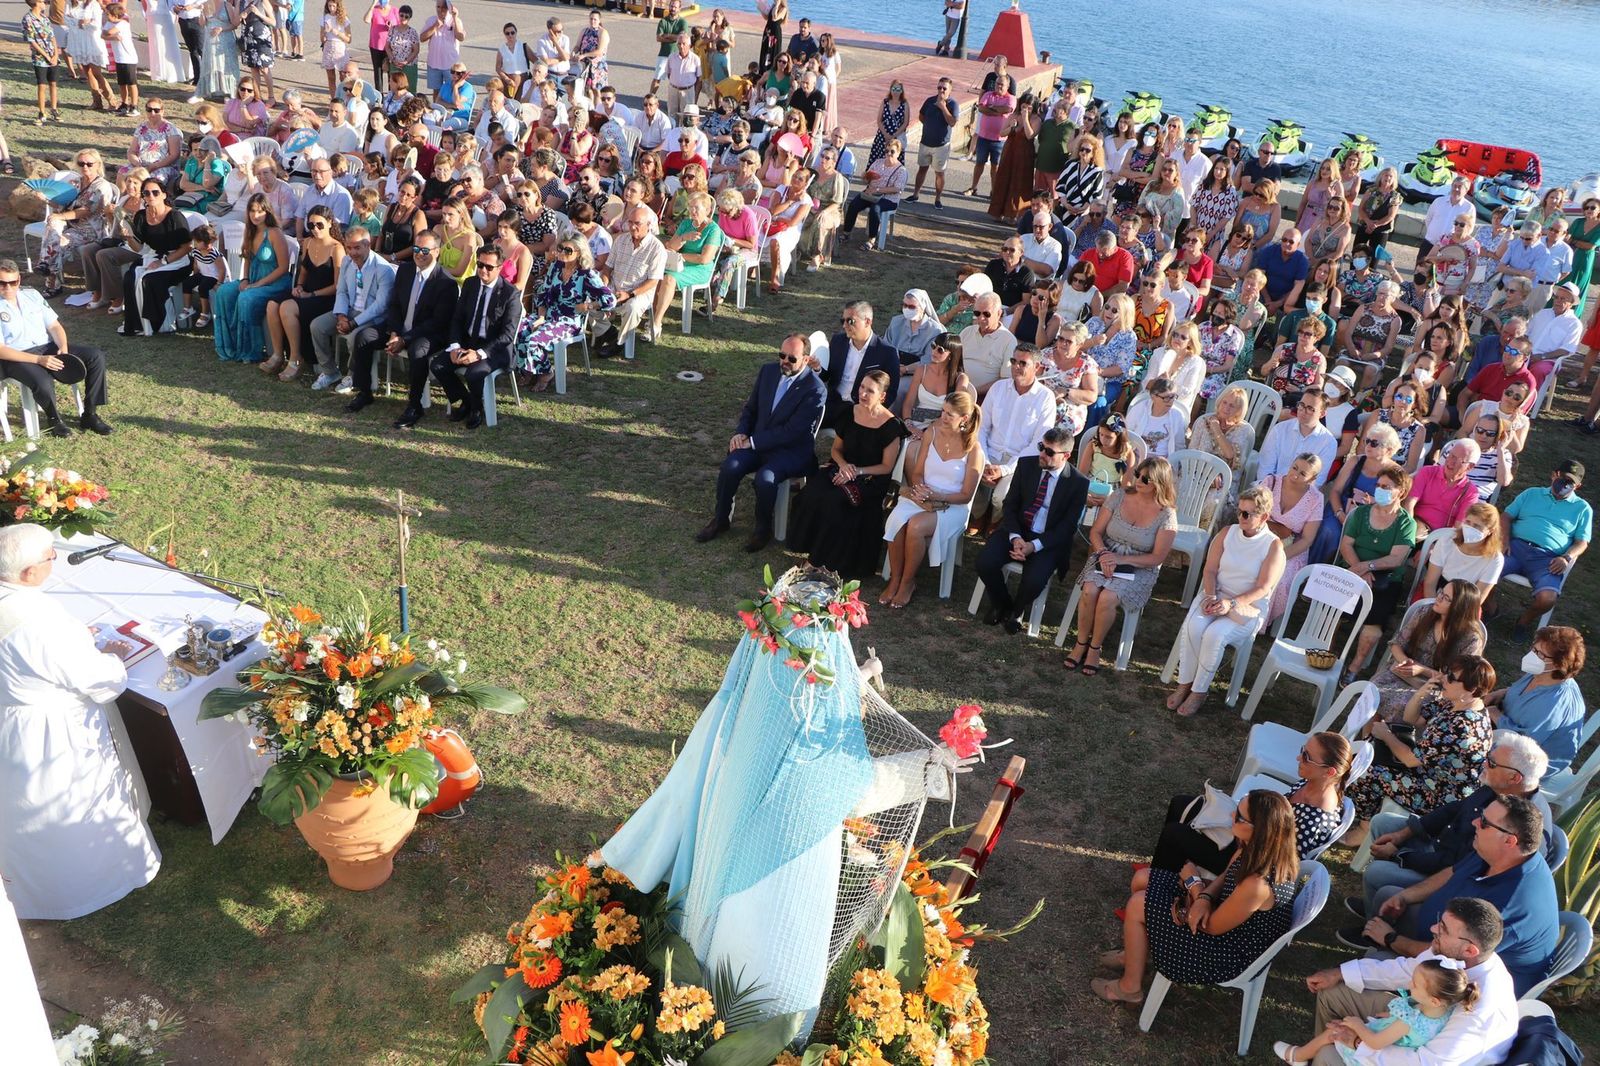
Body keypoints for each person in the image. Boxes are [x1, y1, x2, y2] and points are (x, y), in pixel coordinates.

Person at [0, 524, 162, 920]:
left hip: (13, 724)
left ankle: (41, 889)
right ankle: (98, 884)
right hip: (54, 733)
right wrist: (111, 658)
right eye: (50, 557)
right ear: (27, 574)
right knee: (74, 802)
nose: (55, 560)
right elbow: (98, 680)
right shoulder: (39, 625)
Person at [1093, 790, 1298, 1005]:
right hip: (1223, 913)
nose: (1231, 816)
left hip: (1223, 951)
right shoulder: (1260, 849)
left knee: (1138, 905)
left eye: (1239, 816)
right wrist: (1204, 896)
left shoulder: (1258, 885)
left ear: (1261, 830)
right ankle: (1134, 956)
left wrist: (1194, 885)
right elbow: (1226, 877)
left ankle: (1130, 988)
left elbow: (1211, 927)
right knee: (1143, 878)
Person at [1344, 794, 1557, 999]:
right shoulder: (1497, 853)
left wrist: (1392, 940)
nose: (1475, 822)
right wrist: (1405, 897)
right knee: (1389, 895)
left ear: (1510, 841)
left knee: (1375, 964)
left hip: (1462, 983)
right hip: (1443, 934)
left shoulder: (1510, 904)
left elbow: (1452, 956)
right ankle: (1373, 952)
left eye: (1484, 822)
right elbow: (1452, 872)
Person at [1296, 897, 1518, 1066]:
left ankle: (1328, 1054)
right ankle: (1316, 1050)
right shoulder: (1454, 956)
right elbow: (1404, 971)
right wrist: (1340, 973)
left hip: (1419, 1055)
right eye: (1440, 922)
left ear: (1470, 949)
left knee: (1329, 1055)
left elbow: (1425, 1062)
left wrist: (1357, 1043)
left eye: (1444, 929)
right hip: (1416, 1025)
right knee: (1334, 992)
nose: (1433, 929)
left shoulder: (1482, 1011)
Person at [1359, 731, 1553, 919]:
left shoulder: (1517, 824)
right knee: (1382, 822)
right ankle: (1378, 902)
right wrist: (1403, 834)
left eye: (1492, 763)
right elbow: (1454, 809)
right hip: (1443, 849)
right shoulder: (1499, 788)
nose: (1484, 764)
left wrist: (1399, 856)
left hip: (1451, 879)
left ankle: (1376, 923)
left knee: (1376, 873)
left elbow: (1455, 866)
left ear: (1514, 778)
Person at [1166, 487, 1287, 716]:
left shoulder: (1273, 546)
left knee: (1214, 634)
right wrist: (1211, 596)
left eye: (1247, 514)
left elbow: (1263, 588)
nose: (1240, 517)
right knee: (1194, 626)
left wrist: (1231, 604)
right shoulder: (1227, 533)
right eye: (1239, 511)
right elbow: (1210, 570)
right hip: (1216, 593)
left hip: (1246, 606)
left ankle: (1199, 691)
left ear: (1264, 517)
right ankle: (1185, 683)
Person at [698, 334, 825, 551]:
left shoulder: (815, 389)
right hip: (757, 442)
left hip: (789, 450)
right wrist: (741, 433)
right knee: (730, 466)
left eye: (792, 358)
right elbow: (751, 409)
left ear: (805, 360)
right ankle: (721, 519)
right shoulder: (768, 371)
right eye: (781, 355)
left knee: (765, 479)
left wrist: (753, 442)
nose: (785, 361)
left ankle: (762, 528)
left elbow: (792, 432)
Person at [1349, 655, 1496, 837]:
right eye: (1446, 673)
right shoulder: (1457, 703)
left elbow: (1411, 760)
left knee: (1367, 772)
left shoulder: (1462, 727)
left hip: (1439, 795)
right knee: (1366, 754)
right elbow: (1412, 720)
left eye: (1451, 678)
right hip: (1429, 774)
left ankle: (1364, 828)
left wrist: (1386, 735)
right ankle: (1363, 812)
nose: (1444, 679)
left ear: (1472, 690)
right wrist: (1421, 694)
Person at [787, 370, 906, 578]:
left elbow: (886, 466)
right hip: (842, 468)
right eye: (862, 387)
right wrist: (843, 466)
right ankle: (809, 547)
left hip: (870, 478)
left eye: (870, 391)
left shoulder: (891, 427)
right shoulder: (849, 413)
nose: (863, 394)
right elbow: (836, 450)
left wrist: (856, 472)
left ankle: (820, 560)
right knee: (812, 493)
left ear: (883, 397)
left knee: (835, 501)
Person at [1065, 457, 1177, 676]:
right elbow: (1096, 532)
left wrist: (1122, 560)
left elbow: (1157, 558)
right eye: (1137, 474)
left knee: (1107, 596)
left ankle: (1095, 648)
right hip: (1105, 553)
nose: (1138, 481)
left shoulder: (1166, 515)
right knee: (1090, 591)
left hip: (1139, 565)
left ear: (1159, 483)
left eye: (1145, 479)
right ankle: (1080, 643)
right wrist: (1105, 554)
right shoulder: (1119, 496)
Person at [972, 425, 1088, 632]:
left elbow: (1068, 526)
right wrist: (1016, 538)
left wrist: (1034, 546)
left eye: (1049, 452)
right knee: (985, 562)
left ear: (1066, 456)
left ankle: (1016, 611)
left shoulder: (1078, 483)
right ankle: (1002, 604)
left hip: (1047, 540)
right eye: (1041, 447)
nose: (1042, 454)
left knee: (1034, 580)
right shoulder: (1026, 465)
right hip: (1018, 529)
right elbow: (1010, 505)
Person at [346, 229, 457, 427]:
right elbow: (395, 305)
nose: (419, 254)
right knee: (363, 336)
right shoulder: (405, 270)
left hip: (428, 334)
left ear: (437, 252)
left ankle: (415, 405)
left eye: (425, 250)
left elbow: (437, 322)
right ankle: (364, 392)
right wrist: (395, 332)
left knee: (417, 350)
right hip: (401, 329)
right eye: (416, 248)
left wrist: (404, 339)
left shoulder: (446, 283)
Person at [1280, 958, 1482, 1064]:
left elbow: (1376, 1043)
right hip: (1387, 1040)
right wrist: (1390, 1015)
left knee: (1333, 1033)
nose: (1409, 983)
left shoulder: (1409, 1021)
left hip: (1373, 1052)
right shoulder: (1441, 1012)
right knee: (1336, 1032)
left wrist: (1357, 1025)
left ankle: (1297, 1056)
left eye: (1415, 984)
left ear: (1434, 1000)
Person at [0, 262, 113, 436]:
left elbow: (54, 326)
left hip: (45, 346)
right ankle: (54, 420)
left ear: (19, 280)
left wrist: (63, 347)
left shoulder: (32, 295)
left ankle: (90, 413)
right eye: (2, 283)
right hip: (15, 356)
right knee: (42, 379)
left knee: (95, 356)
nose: (8, 287)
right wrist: (38, 360)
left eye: (12, 282)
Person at [1492, 460, 1591, 636]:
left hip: (1548, 558)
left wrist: (1566, 558)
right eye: (1563, 477)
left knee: (1547, 598)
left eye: (1571, 482)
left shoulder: (1583, 509)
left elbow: (1582, 542)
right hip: (1515, 548)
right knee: (1484, 569)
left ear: (1578, 486)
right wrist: (1504, 540)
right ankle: (1491, 608)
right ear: (1554, 474)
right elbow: (1506, 516)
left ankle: (1523, 621)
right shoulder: (1531, 493)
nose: (1565, 484)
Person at [969, 345, 1057, 535]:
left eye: (1023, 363)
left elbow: (1038, 443)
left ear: (1037, 367)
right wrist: (985, 461)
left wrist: (1004, 469)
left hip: (1020, 460)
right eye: (1014, 361)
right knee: (973, 478)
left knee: (1002, 496)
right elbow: (981, 428)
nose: (1016, 366)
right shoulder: (998, 388)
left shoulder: (1046, 398)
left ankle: (997, 519)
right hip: (989, 452)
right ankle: (978, 515)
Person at [1340, 464, 1419, 672]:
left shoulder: (1406, 523)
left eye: (1387, 486)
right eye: (1379, 485)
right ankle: (1324, 652)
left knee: (1375, 619)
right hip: (1352, 567)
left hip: (1386, 578)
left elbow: (1396, 558)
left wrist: (1368, 567)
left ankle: (1354, 666)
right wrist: (1360, 569)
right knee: (1335, 605)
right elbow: (1346, 544)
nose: (1380, 490)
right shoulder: (1361, 513)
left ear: (1401, 492)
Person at [429, 246, 519, 428]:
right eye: (480, 264)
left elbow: (508, 335)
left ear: (500, 268)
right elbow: (457, 319)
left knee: (474, 373)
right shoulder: (471, 284)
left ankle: (476, 409)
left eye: (489, 267)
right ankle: (467, 400)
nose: (483, 270)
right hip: (468, 342)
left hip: (494, 348)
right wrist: (454, 346)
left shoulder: (511, 294)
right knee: (438, 365)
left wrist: (479, 354)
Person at [512, 236, 614, 393]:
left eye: (568, 250)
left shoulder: (587, 274)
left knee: (534, 340)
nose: (562, 253)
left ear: (579, 252)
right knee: (519, 328)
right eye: (560, 248)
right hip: (549, 314)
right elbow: (543, 294)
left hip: (569, 321)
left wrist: (588, 305)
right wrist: (540, 316)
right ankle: (528, 370)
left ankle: (546, 373)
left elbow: (609, 299)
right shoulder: (556, 267)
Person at [1371, 579, 1486, 718]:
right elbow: (1396, 643)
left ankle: (1386, 736)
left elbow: (1459, 680)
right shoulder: (1425, 612)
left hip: (1437, 687)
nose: (1438, 598)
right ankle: (1368, 736)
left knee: (1401, 703)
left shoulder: (1471, 639)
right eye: (1441, 592)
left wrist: (1422, 670)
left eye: (1446, 598)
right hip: (1402, 671)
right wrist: (1405, 662)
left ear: (1459, 607)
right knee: (1373, 691)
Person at [1489, 626, 1587, 774]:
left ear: (1557, 664)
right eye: (1534, 649)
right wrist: (1501, 692)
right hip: (1504, 734)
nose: (1532, 656)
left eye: (1539, 654)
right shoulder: (1541, 673)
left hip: (1527, 763)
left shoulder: (1554, 704)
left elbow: (1525, 743)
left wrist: (1494, 713)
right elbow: (1520, 694)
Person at [262, 204, 343, 381]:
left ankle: (295, 358)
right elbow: (304, 272)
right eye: (311, 225)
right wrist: (299, 286)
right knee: (272, 305)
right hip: (306, 293)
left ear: (329, 223)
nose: (315, 229)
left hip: (326, 298)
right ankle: (277, 354)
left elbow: (337, 286)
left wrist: (311, 295)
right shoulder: (307, 242)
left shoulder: (337, 249)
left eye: (319, 225)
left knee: (287, 308)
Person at [309, 225, 393, 392]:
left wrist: (353, 323)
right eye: (349, 248)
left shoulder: (383, 269)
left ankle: (353, 374)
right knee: (317, 326)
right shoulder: (347, 261)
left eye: (357, 248)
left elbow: (380, 306)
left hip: (372, 317)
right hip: (349, 310)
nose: (353, 252)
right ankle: (330, 371)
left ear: (368, 245)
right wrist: (341, 316)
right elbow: (342, 291)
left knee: (354, 337)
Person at [816, 300, 901, 426]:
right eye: (842, 321)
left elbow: (891, 391)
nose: (844, 325)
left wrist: (871, 412)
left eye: (850, 321)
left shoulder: (887, 352)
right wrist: (817, 368)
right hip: (832, 403)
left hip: (861, 408)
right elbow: (828, 375)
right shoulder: (838, 341)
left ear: (867, 321)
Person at [1257, 391, 1338, 486]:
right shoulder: (1280, 429)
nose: (1303, 411)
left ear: (1322, 414)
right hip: (1269, 487)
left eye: (1310, 408)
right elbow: (1265, 468)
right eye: (1301, 405)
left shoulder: (1328, 443)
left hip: (1299, 495)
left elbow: (1317, 481)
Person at [839, 140, 907, 249]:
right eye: (887, 151)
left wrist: (879, 189)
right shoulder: (878, 162)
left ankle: (871, 239)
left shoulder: (901, 170)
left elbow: (897, 189)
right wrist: (865, 177)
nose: (889, 154)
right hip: (871, 194)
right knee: (854, 204)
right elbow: (867, 180)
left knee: (875, 209)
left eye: (892, 151)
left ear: (898, 153)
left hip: (889, 199)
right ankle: (846, 233)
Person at [906, 77, 957, 208]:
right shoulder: (929, 101)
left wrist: (943, 107)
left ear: (950, 90)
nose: (941, 90)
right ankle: (915, 194)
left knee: (939, 173)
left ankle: (938, 199)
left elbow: (952, 122)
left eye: (944, 88)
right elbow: (921, 116)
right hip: (925, 142)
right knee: (922, 169)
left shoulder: (952, 104)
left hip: (941, 145)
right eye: (939, 87)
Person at [1254, 228, 1309, 315]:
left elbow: (1297, 288)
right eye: (1284, 240)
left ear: (1298, 245)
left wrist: (1278, 303)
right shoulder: (1269, 251)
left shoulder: (1302, 261)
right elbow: (1258, 277)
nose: (1286, 243)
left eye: (1291, 242)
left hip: (1286, 301)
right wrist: (1268, 300)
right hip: (1262, 294)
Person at [883, 289, 942, 368]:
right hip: (893, 366)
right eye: (905, 305)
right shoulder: (896, 322)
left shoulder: (934, 330)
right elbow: (885, 346)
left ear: (922, 307)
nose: (907, 309)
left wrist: (906, 369)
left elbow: (929, 359)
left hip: (919, 372)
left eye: (912, 307)